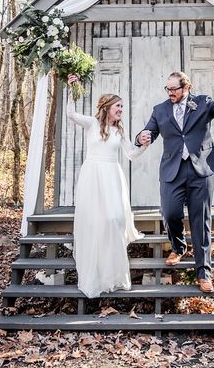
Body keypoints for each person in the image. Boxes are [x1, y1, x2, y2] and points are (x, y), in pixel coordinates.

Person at [136, 70, 214, 293]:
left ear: (186, 88)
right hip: (172, 170)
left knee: (201, 221)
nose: (170, 93)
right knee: (169, 212)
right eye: (167, 89)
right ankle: (178, 246)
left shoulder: (203, 102)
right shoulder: (160, 110)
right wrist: (141, 137)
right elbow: (149, 130)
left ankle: (204, 273)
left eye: (174, 89)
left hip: (201, 168)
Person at [67, 74, 146, 298]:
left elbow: (131, 154)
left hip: (112, 177)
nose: (121, 109)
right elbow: (71, 114)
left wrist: (144, 145)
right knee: (95, 223)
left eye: (121, 106)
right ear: (108, 107)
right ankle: (95, 276)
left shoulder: (119, 130)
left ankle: (113, 275)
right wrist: (72, 87)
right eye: (118, 106)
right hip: (92, 176)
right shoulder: (92, 124)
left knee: (114, 220)